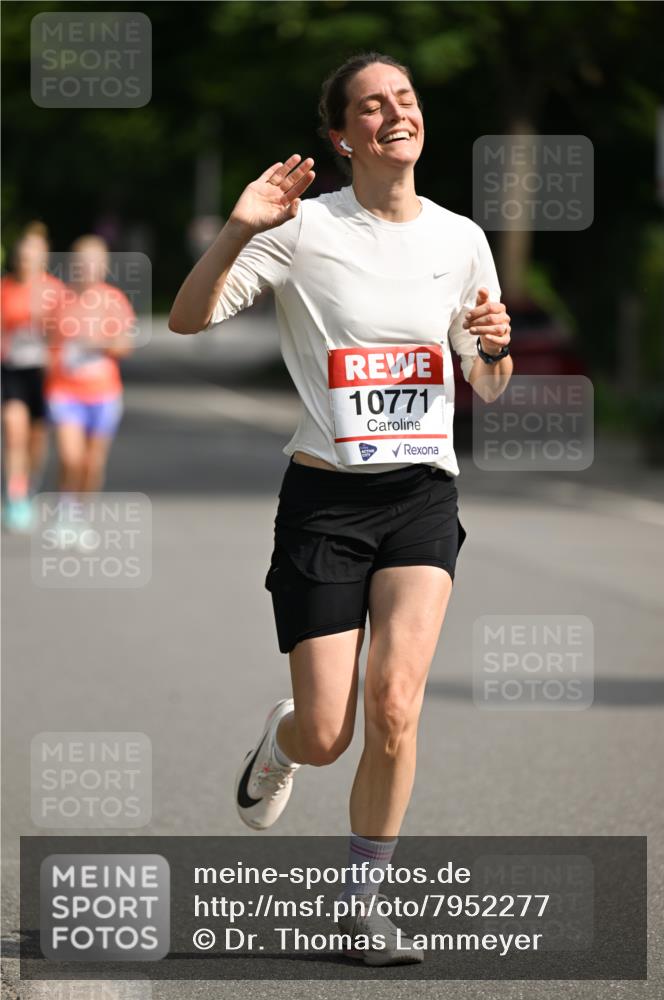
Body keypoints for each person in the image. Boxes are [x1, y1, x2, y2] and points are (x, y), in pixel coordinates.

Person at [169, 52, 513, 966]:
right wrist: (238, 229)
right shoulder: (302, 228)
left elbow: (485, 380)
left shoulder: (460, 239)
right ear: (341, 136)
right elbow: (188, 320)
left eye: (404, 98)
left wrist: (493, 348)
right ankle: (280, 746)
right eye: (370, 106)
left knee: (395, 706)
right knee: (328, 734)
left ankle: (365, 903)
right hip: (325, 500)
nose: (394, 113)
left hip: (421, 494)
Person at [43, 235, 134, 541]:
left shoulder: (114, 300)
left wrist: (99, 343)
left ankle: (81, 517)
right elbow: (46, 342)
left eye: (94, 262)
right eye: (82, 262)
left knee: (92, 464)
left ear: (104, 266)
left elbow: (125, 345)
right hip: (64, 391)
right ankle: (64, 510)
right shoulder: (59, 300)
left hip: (104, 394)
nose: (87, 268)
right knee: (71, 457)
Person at [1, 224, 63, 533]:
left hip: (45, 373)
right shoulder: (5, 288)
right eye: (23, 254)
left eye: (34, 254)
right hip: (12, 369)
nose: (27, 260)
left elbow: (67, 331)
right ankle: (15, 494)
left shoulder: (56, 291)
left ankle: (30, 483)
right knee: (14, 429)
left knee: (37, 437)